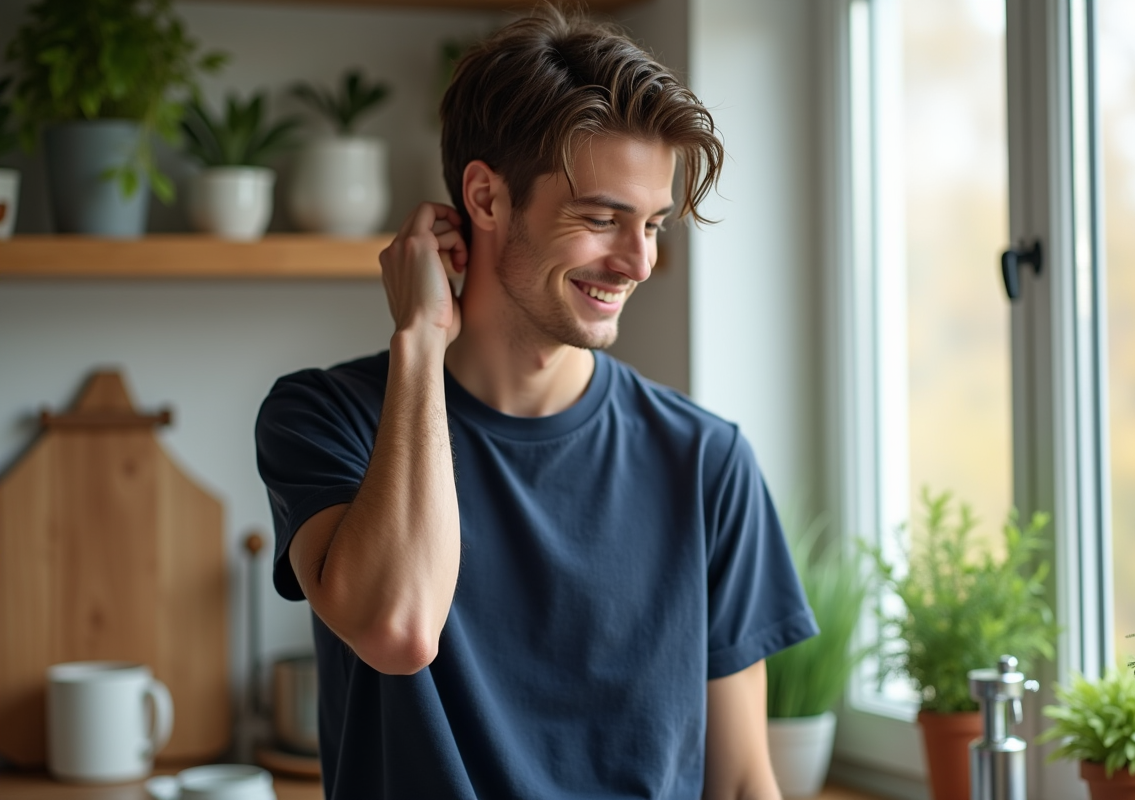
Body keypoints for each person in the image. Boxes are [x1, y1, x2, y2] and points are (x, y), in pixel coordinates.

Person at [256, 7, 816, 799]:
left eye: (652, 224)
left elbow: (739, 781)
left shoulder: (706, 461)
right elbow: (398, 627)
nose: (638, 261)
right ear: (485, 198)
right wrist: (419, 339)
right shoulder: (326, 419)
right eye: (601, 219)